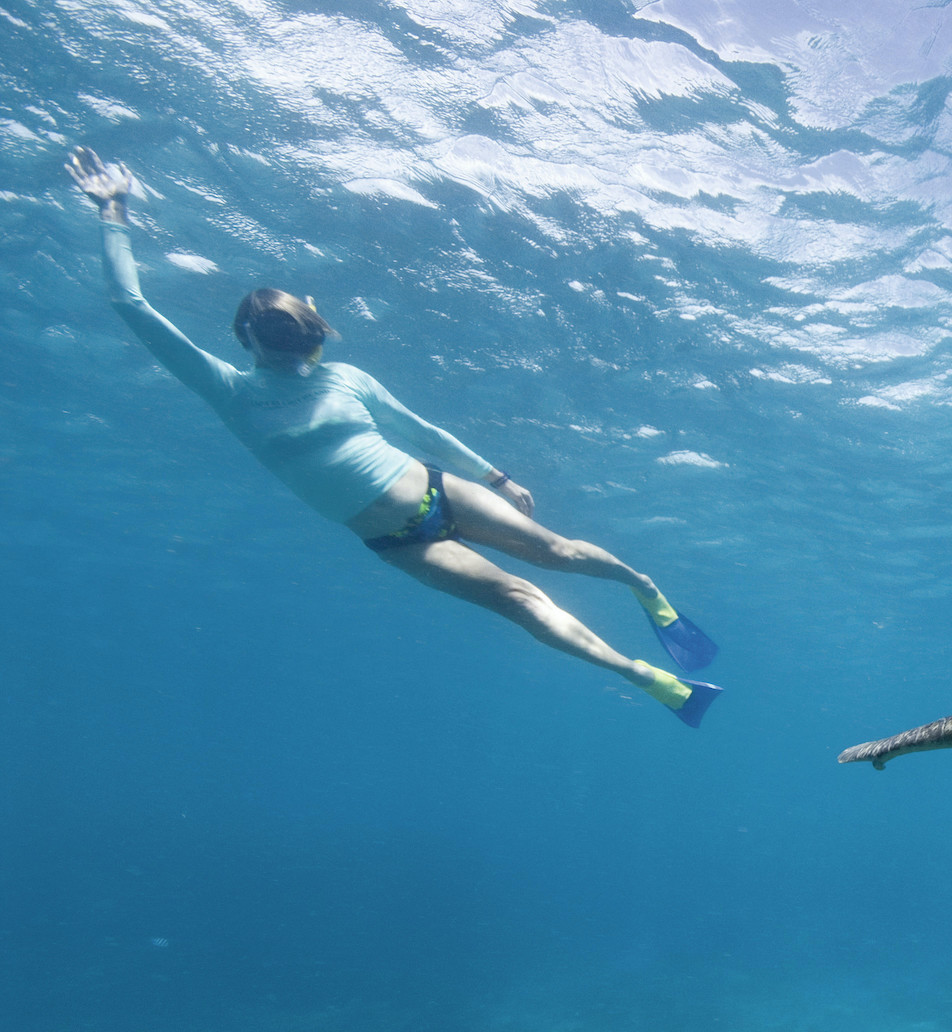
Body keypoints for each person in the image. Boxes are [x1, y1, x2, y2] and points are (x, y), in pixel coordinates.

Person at [66, 147, 720, 725]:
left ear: (292, 334)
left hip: (430, 500)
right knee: (522, 596)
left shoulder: (324, 380)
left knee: (553, 554)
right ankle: (642, 674)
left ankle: (643, 585)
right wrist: (113, 209)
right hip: (401, 537)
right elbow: (131, 307)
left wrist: (494, 475)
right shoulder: (233, 389)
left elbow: (421, 429)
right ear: (281, 335)